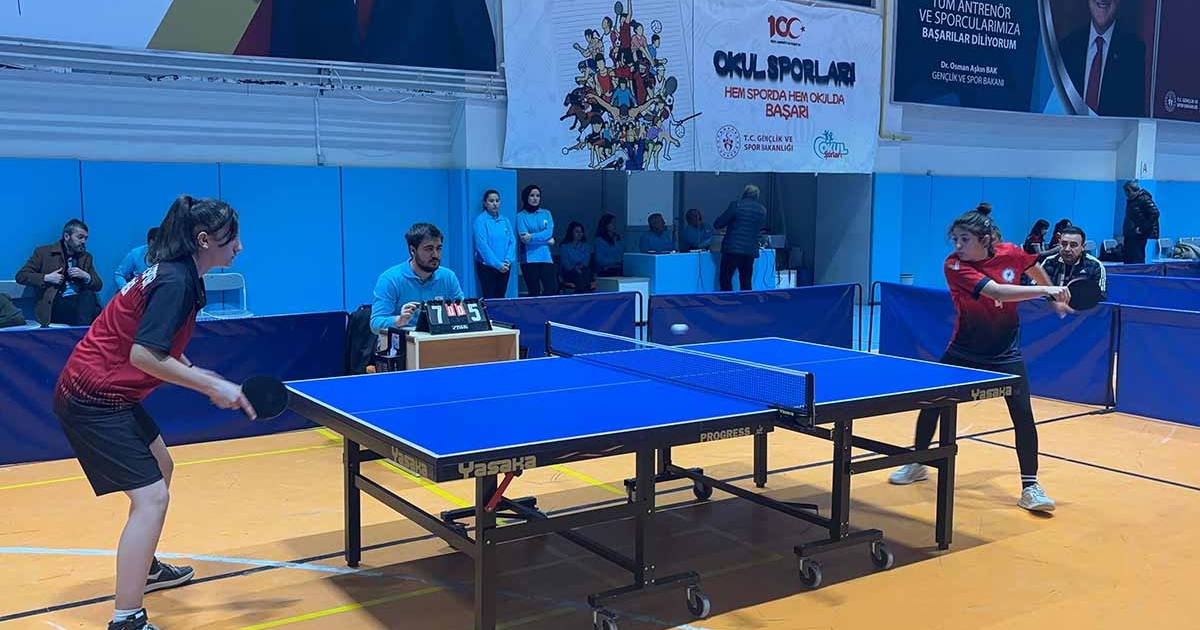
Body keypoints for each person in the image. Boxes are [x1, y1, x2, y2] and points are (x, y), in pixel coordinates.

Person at [53, 195, 254, 630]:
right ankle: (127, 619)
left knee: (162, 465)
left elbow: (159, 343)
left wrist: (202, 375)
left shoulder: (180, 275)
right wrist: (210, 385)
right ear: (204, 239)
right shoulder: (175, 281)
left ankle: (145, 569)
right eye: (232, 238)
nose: (239, 246)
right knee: (152, 498)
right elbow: (144, 355)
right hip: (92, 396)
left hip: (108, 392)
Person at [887, 205, 1071, 513]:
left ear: (985, 240)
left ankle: (1030, 487)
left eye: (965, 240)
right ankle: (918, 462)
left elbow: (1031, 264)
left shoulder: (1010, 252)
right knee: (932, 403)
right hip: (964, 350)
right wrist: (1048, 290)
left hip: (1005, 351)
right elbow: (997, 291)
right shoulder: (954, 266)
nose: (958, 246)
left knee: (1023, 415)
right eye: (955, 240)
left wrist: (1053, 299)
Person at [370, 222, 465, 334]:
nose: (435, 255)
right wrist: (399, 320)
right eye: (429, 249)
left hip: (438, 340)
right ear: (413, 251)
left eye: (439, 248)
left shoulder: (448, 277)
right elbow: (375, 324)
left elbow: (463, 315)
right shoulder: (390, 279)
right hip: (404, 342)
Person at [15, 218, 103, 326]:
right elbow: (21, 276)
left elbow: (98, 285)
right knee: (92, 310)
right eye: (80, 237)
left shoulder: (86, 257)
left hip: (80, 302)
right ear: (66, 236)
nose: (83, 241)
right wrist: (46, 278)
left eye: (86, 238)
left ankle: (82, 330)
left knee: (89, 298)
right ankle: (84, 332)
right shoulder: (44, 253)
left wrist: (86, 276)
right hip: (55, 303)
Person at [713, 184, 767, 291]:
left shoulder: (736, 205)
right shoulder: (762, 210)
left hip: (732, 249)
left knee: (725, 279)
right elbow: (757, 229)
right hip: (750, 250)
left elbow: (719, 223)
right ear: (757, 195)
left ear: (744, 193)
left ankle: (728, 300)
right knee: (746, 282)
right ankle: (747, 301)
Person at [472, 189, 516, 299]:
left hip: (505, 266)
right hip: (487, 267)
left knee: (501, 297)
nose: (495, 204)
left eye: (497, 200)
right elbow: (482, 245)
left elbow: (512, 242)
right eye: (491, 201)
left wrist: (507, 261)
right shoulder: (480, 220)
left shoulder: (505, 220)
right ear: (485, 203)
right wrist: (497, 264)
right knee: (490, 298)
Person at [1041, 225, 1107, 298]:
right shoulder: (1049, 262)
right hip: (1049, 304)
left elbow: (1100, 296)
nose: (1067, 249)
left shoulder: (1095, 266)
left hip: (1081, 305)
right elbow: (1035, 290)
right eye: (1064, 244)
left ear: (1083, 247)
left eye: (1073, 245)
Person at [515, 184, 557, 296]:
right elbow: (524, 239)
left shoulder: (546, 213)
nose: (535, 198)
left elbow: (549, 233)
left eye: (538, 196)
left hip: (545, 257)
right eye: (532, 195)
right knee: (534, 291)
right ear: (526, 197)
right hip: (529, 259)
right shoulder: (520, 216)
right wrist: (547, 241)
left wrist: (532, 237)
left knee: (551, 289)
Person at [1122, 180, 1160, 264]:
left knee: (1137, 257)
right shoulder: (1132, 201)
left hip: (1138, 235)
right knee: (1128, 257)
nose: (1126, 194)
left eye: (1128, 192)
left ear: (1133, 191)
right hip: (1130, 234)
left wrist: (1142, 228)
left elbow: (1155, 213)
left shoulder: (1144, 199)